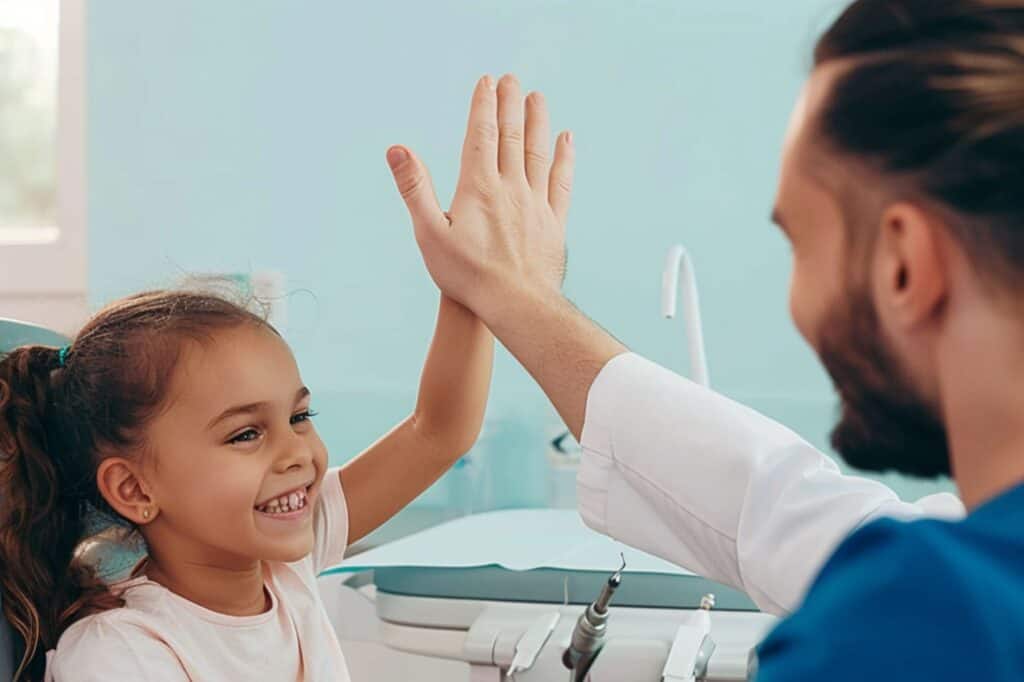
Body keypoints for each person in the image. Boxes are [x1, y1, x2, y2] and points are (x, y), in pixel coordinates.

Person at [386, 0, 1024, 677]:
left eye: (799, 245)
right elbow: (793, 516)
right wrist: (517, 299)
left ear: (904, 266)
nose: (795, 303)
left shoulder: (903, 627)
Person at [0, 289, 493, 681]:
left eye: (300, 416)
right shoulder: (121, 653)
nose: (297, 451)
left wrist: (471, 282)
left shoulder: (286, 565)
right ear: (134, 490)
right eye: (246, 434)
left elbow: (437, 433)